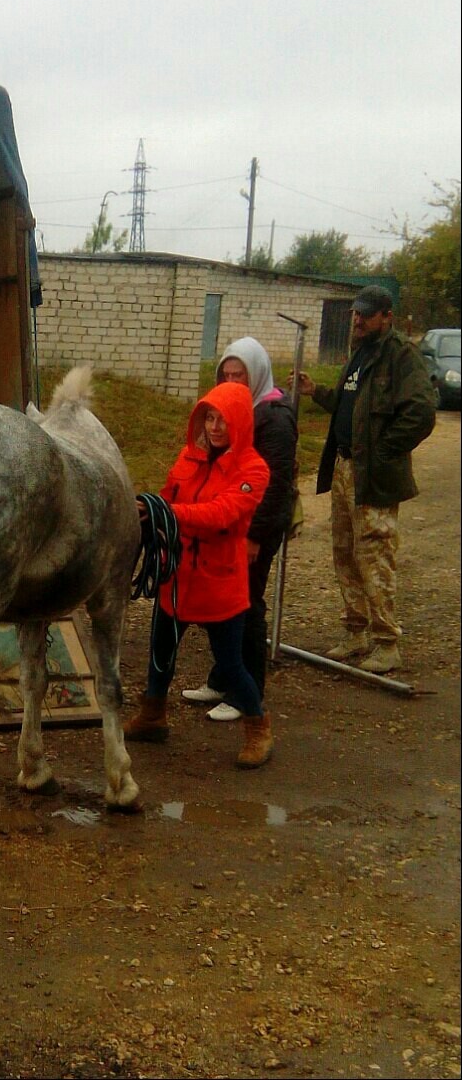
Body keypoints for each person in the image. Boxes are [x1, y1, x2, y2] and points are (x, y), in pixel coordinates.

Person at [124, 381, 273, 768]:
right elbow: (166, 495)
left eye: (223, 419)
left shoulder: (253, 469)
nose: (215, 427)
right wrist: (149, 511)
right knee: (161, 652)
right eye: (209, 418)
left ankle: (258, 727)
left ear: (239, 422)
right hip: (177, 577)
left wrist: (168, 513)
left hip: (219, 584)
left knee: (230, 665)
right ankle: (154, 715)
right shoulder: (188, 458)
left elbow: (222, 514)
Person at [295, 285, 436, 675]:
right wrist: (316, 392)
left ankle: (387, 642)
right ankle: (355, 632)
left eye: (366, 314)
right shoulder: (359, 353)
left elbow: (422, 412)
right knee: (345, 552)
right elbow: (350, 404)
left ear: (386, 316)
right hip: (343, 469)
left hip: (370, 474)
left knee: (375, 554)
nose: (357, 320)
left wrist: (383, 452)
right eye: (356, 313)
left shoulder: (400, 356)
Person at [182, 338, 298, 721]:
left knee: (246, 605)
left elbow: (276, 484)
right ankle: (222, 677)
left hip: (254, 528)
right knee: (222, 604)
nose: (233, 381)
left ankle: (248, 692)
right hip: (230, 525)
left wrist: (255, 537)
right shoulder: (231, 414)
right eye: (226, 374)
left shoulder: (274, 417)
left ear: (258, 375)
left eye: (240, 375)